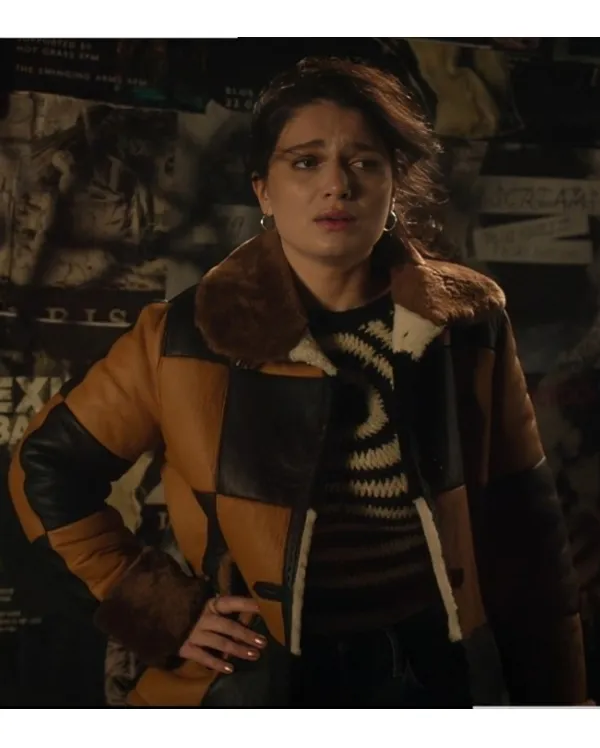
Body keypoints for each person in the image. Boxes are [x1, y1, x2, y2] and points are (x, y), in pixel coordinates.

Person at [6, 57, 589, 708]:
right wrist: (164, 610)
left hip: (440, 674)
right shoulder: (183, 336)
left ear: (394, 185)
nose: (336, 185)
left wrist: (559, 707)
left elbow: (527, 528)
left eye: (364, 162)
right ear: (263, 190)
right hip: (259, 685)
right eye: (306, 162)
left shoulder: (468, 322)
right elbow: (44, 470)